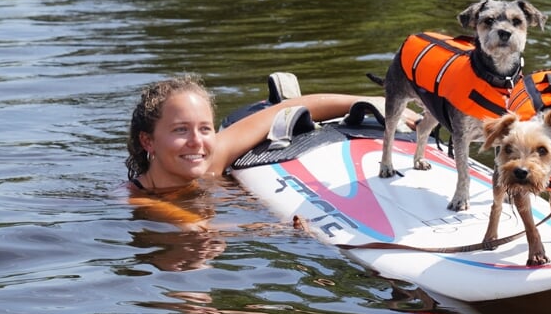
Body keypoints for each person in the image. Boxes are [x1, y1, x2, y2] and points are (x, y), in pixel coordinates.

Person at [125, 73, 406, 233]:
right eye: (180, 130)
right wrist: (278, 229)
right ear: (148, 141)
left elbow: (281, 112)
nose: (196, 142)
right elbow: (198, 227)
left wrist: (373, 100)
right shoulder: (134, 198)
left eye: (205, 129)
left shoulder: (211, 158)